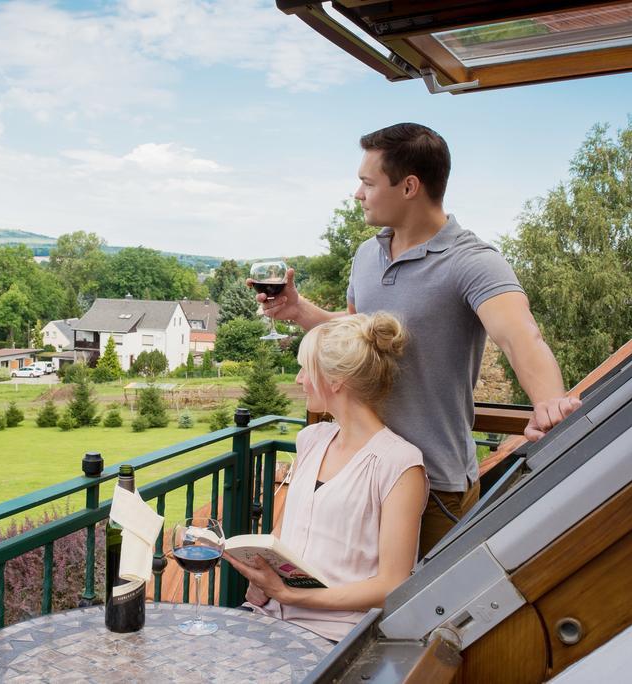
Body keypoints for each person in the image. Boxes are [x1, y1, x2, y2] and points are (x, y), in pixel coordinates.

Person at [256, 123, 581, 556]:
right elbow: (356, 336)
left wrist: (548, 403)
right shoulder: (367, 255)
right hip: (359, 473)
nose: (357, 194)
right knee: (349, 606)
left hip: (434, 484)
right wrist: (299, 311)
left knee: (416, 618)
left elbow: (521, 336)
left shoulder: (473, 262)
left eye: (367, 183)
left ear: (409, 186)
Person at [225, 312, 428, 642]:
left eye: (306, 369)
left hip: (336, 634)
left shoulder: (399, 464)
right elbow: (284, 529)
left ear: (335, 381)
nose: (299, 379)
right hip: (269, 615)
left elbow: (391, 584)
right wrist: (262, 577)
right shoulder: (313, 438)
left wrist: (293, 596)